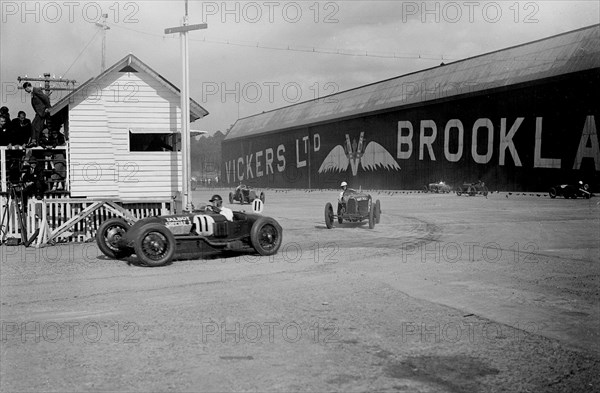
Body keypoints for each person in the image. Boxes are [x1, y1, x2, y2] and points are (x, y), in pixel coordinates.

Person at [23, 82, 51, 147]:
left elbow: (45, 98)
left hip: (42, 111)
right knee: (35, 126)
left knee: (35, 126)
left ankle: (35, 141)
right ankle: (34, 141)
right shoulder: (33, 92)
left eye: (25, 89)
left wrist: (48, 108)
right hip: (38, 112)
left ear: (27, 87)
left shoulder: (36, 90)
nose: (26, 91)